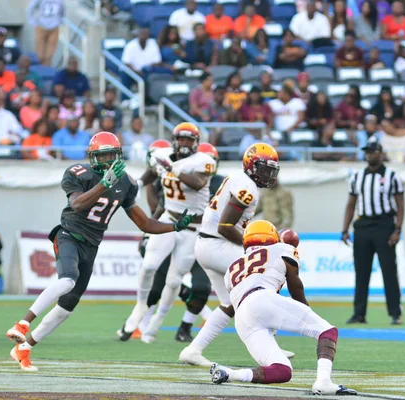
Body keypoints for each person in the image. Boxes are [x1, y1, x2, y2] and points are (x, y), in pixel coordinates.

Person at [5, 131, 194, 371]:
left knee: (66, 307)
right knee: (67, 281)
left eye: (111, 155)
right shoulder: (78, 173)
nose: (106, 161)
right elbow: (77, 204)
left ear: (118, 156)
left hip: (91, 245)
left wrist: (173, 226)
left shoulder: (126, 183)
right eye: (102, 156)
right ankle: (23, 324)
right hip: (68, 235)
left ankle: (24, 348)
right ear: (92, 157)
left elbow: (144, 223)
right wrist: (103, 184)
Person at [209, 220, 356, 396]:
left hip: (242, 316)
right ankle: (323, 382)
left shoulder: (232, 268)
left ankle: (230, 373)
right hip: (262, 298)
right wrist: (306, 313)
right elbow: (296, 287)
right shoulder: (282, 249)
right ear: (273, 237)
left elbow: (241, 296)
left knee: (282, 370)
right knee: (327, 331)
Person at [178, 143, 290, 367]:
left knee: (229, 304)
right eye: (264, 168)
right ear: (251, 166)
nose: (268, 174)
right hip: (216, 244)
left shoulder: (242, 180)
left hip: (207, 244)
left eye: (271, 169)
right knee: (264, 278)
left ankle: (193, 350)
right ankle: (272, 346)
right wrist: (253, 246)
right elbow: (226, 226)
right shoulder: (246, 187)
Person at [118, 123, 217, 343]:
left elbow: (198, 183)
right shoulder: (162, 156)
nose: (184, 143)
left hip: (192, 228)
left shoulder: (204, 161)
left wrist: (172, 168)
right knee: (149, 266)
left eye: (188, 140)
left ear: (196, 143)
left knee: (174, 281)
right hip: (169, 220)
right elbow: (153, 172)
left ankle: (156, 323)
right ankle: (140, 307)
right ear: (173, 140)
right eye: (180, 139)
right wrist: (136, 184)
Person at [341, 138, 405, 325]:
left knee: (389, 270)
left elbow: (401, 204)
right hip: (363, 226)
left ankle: (395, 312)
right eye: (367, 151)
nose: (370, 155)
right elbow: (351, 204)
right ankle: (359, 313)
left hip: (384, 225)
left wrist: (398, 229)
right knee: (362, 272)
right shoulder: (357, 177)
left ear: (380, 153)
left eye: (373, 151)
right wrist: (345, 229)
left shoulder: (392, 176)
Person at [120, 28, 162, 100]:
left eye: (145, 34)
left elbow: (157, 62)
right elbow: (126, 63)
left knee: (153, 76)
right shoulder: (130, 45)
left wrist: (145, 70)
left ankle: (147, 100)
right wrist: (137, 72)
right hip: (132, 71)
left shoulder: (153, 44)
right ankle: (125, 100)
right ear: (137, 35)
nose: (143, 36)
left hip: (146, 71)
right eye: (141, 34)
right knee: (124, 73)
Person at [27, 0, 64, 66]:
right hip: (41, 26)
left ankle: (46, 69)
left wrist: (59, 21)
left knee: (49, 54)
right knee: (40, 53)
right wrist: (33, 22)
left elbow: (62, 11)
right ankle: (40, 68)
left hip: (54, 27)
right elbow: (30, 8)